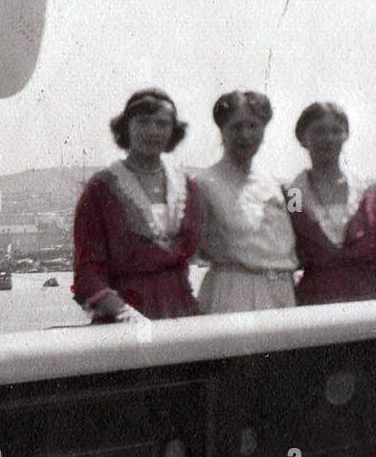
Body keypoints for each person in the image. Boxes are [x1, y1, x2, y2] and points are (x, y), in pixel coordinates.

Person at [72, 88, 203, 321]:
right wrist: (123, 312)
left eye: (162, 124)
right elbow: (87, 272)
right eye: (143, 122)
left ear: (174, 131)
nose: (153, 131)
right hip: (124, 316)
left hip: (181, 312)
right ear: (126, 127)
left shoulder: (186, 185)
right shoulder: (101, 189)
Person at [288, 101, 376, 304]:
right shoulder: (294, 195)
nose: (328, 139)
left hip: (367, 299)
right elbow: (289, 251)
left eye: (336, 131)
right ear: (302, 138)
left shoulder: (370, 193)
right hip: (314, 302)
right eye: (318, 131)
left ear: (346, 136)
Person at [197, 91, 298, 313]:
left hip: (283, 292)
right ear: (221, 131)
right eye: (236, 127)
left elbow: (300, 226)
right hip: (235, 292)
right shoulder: (204, 183)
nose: (245, 135)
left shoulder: (281, 186)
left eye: (253, 126)